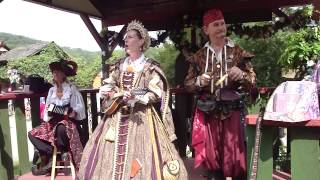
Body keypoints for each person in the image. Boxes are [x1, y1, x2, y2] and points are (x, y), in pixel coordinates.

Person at [77, 20, 187, 180]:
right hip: (116, 117)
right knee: (106, 156)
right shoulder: (119, 65)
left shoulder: (150, 67)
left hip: (141, 117)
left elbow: (156, 93)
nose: (126, 41)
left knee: (141, 155)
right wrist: (106, 90)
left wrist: (138, 97)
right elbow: (110, 83)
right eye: (126, 37)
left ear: (141, 41)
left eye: (130, 37)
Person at [184, 9, 256, 180]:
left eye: (222, 23)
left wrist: (242, 75)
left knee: (236, 160)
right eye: (215, 25)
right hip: (208, 113)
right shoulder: (199, 57)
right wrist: (200, 81)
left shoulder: (238, 52)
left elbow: (253, 81)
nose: (220, 27)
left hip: (232, 111)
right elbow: (187, 84)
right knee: (211, 162)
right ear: (206, 30)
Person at [28, 60, 86, 175]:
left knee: (61, 127)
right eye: (54, 72)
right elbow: (47, 109)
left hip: (68, 122)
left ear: (64, 74)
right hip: (52, 122)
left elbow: (79, 108)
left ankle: (63, 152)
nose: (56, 74)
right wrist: (49, 113)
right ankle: (50, 154)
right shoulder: (51, 90)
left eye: (58, 72)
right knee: (32, 133)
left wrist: (73, 112)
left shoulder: (71, 88)